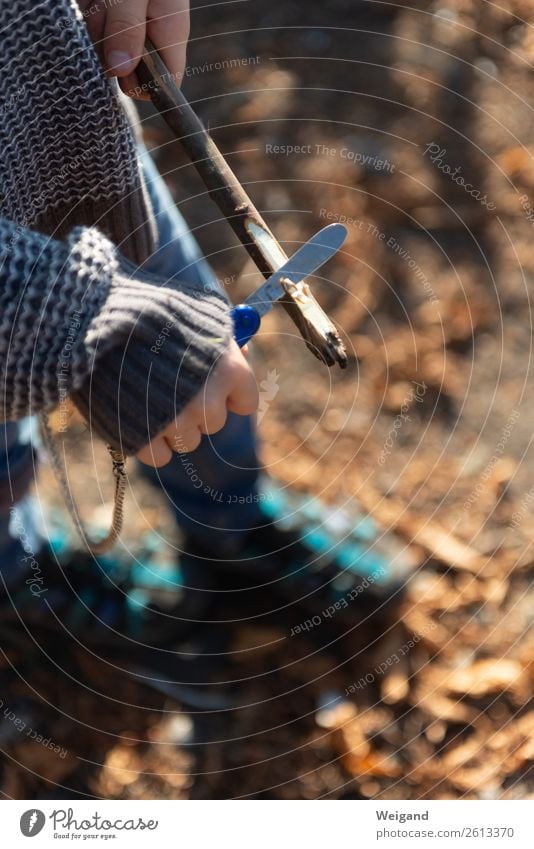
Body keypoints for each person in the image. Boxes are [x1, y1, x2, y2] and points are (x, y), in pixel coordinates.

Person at [0, 0, 411, 654]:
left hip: (78, 134)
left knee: (207, 371)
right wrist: (89, 312)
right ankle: (17, 575)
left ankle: (233, 525)